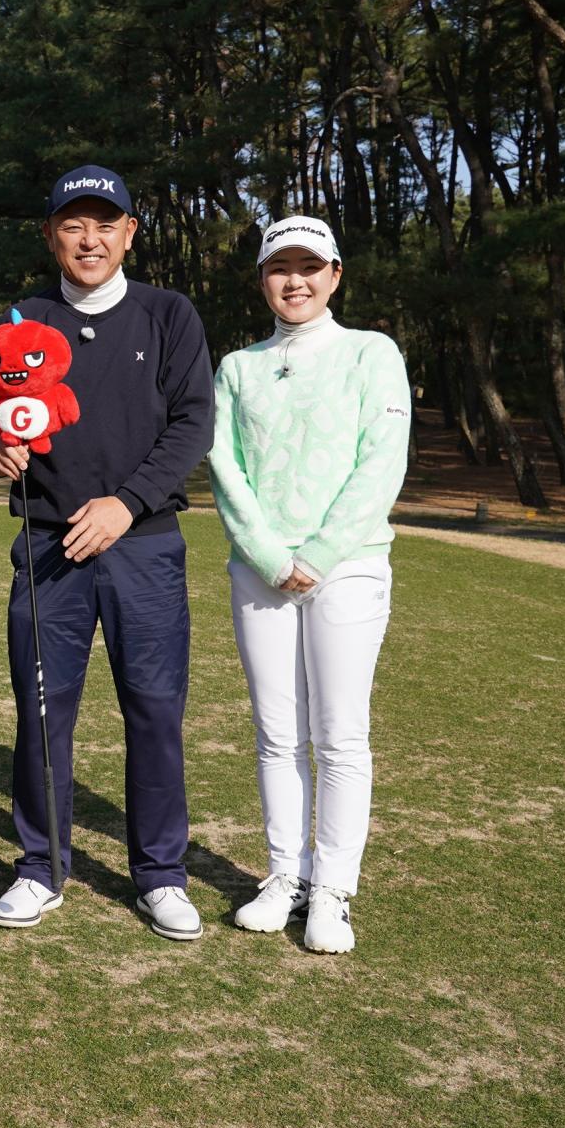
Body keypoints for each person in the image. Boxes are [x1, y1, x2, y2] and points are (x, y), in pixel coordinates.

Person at [0, 164, 215, 939]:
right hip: (47, 548)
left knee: (152, 710)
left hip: (142, 545)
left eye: (105, 223)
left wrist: (125, 502)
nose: (89, 237)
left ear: (130, 233)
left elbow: (191, 425)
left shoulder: (168, 314)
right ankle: (41, 867)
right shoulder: (24, 318)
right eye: (73, 223)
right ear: (51, 235)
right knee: (44, 714)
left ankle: (161, 874)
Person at [208, 215, 411, 954]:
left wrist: (318, 553)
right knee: (276, 732)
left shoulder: (370, 353)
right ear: (263, 278)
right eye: (280, 267)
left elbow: (381, 461)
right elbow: (224, 465)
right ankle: (283, 875)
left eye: (309, 266)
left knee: (340, 733)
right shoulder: (237, 366)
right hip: (260, 568)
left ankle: (332, 889)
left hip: (348, 563)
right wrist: (268, 552)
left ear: (335, 275)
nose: (295, 280)